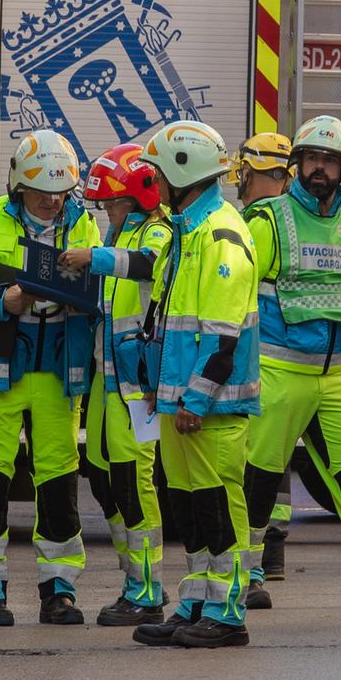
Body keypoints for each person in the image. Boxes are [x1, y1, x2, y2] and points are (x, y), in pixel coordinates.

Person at [0, 129, 100, 626]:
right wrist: (1, 301)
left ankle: (60, 588)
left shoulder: (82, 225)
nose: (52, 201)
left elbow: (98, 289)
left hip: (56, 368)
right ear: (18, 185)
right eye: (41, 190)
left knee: (57, 480)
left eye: (60, 191)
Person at [241, 116, 341, 609]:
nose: (319, 169)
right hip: (279, 370)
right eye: (311, 160)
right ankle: (245, 575)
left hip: (338, 372)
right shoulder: (268, 220)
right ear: (296, 164)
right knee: (259, 478)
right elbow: (237, 294)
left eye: (329, 161)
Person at [128, 120, 263, 649]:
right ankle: (195, 603)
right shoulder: (188, 229)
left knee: (218, 503)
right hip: (181, 401)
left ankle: (228, 613)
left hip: (210, 404)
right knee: (189, 504)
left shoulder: (221, 234)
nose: (154, 186)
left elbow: (222, 335)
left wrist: (195, 399)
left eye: (158, 175)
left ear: (185, 174)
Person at [57, 143, 176, 627]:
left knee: (134, 482)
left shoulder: (160, 232)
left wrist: (94, 256)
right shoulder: (122, 231)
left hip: (138, 386)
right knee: (104, 477)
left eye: (114, 202)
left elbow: (144, 264)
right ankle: (133, 577)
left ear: (141, 196)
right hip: (110, 384)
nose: (108, 211)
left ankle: (146, 589)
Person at [229, 131, 297, 587]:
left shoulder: (258, 222)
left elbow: (237, 294)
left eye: (244, 172)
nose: (239, 179)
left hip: (260, 356)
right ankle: (272, 551)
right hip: (302, 360)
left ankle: (255, 559)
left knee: (255, 461)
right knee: (277, 459)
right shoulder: (300, 220)